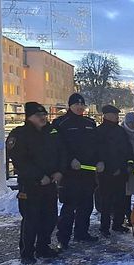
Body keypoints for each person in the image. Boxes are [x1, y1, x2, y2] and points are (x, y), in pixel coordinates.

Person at [6, 102, 66, 265]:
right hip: (31, 185)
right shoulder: (20, 134)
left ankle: (43, 247)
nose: (43, 118)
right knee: (31, 219)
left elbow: (62, 152)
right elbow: (20, 160)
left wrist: (60, 171)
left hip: (50, 183)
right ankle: (27, 252)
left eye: (44, 115)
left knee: (50, 218)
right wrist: (39, 176)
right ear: (29, 117)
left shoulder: (51, 132)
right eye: (39, 116)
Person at [53, 93, 103, 248]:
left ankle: (82, 233)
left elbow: (96, 145)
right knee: (69, 206)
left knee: (86, 205)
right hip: (70, 174)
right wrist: (70, 160)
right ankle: (63, 238)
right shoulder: (61, 123)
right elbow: (58, 147)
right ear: (70, 106)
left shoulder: (90, 123)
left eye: (82, 104)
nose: (80, 107)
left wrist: (100, 160)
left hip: (88, 172)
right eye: (76, 104)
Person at [96, 105, 134, 237]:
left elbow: (127, 149)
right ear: (106, 115)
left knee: (120, 200)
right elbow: (99, 152)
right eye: (113, 114)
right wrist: (110, 168)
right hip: (106, 173)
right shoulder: (99, 131)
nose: (116, 117)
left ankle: (117, 224)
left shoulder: (120, 131)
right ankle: (104, 226)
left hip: (121, 171)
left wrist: (128, 164)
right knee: (106, 201)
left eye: (117, 115)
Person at [122, 112, 134, 224]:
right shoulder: (121, 133)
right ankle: (128, 215)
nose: (133, 125)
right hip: (127, 167)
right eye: (131, 123)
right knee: (127, 193)